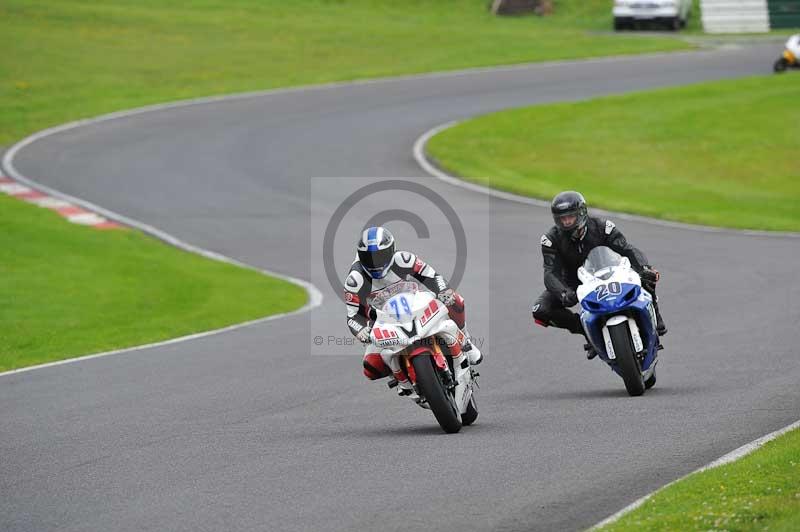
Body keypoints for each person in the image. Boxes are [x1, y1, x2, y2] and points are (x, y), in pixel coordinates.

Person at [344, 226, 483, 396]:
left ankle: (466, 342)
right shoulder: (355, 280)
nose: (375, 263)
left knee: (456, 300)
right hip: (383, 321)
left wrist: (443, 291)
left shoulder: (403, 259)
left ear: (391, 250)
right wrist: (361, 330)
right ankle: (401, 378)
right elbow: (352, 316)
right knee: (371, 367)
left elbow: (433, 277)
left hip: (415, 306)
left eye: (380, 256)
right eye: (369, 258)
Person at [532, 191, 667, 359]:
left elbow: (627, 249)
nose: (566, 222)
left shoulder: (603, 227)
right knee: (540, 310)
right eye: (562, 219)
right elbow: (550, 272)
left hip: (611, 271)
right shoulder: (550, 239)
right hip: (575, 282)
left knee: (647, 275)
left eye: (570, 217)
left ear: (581, 213)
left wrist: (644, 268)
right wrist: (563, 292)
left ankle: (655, 314)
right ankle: (586, 330)